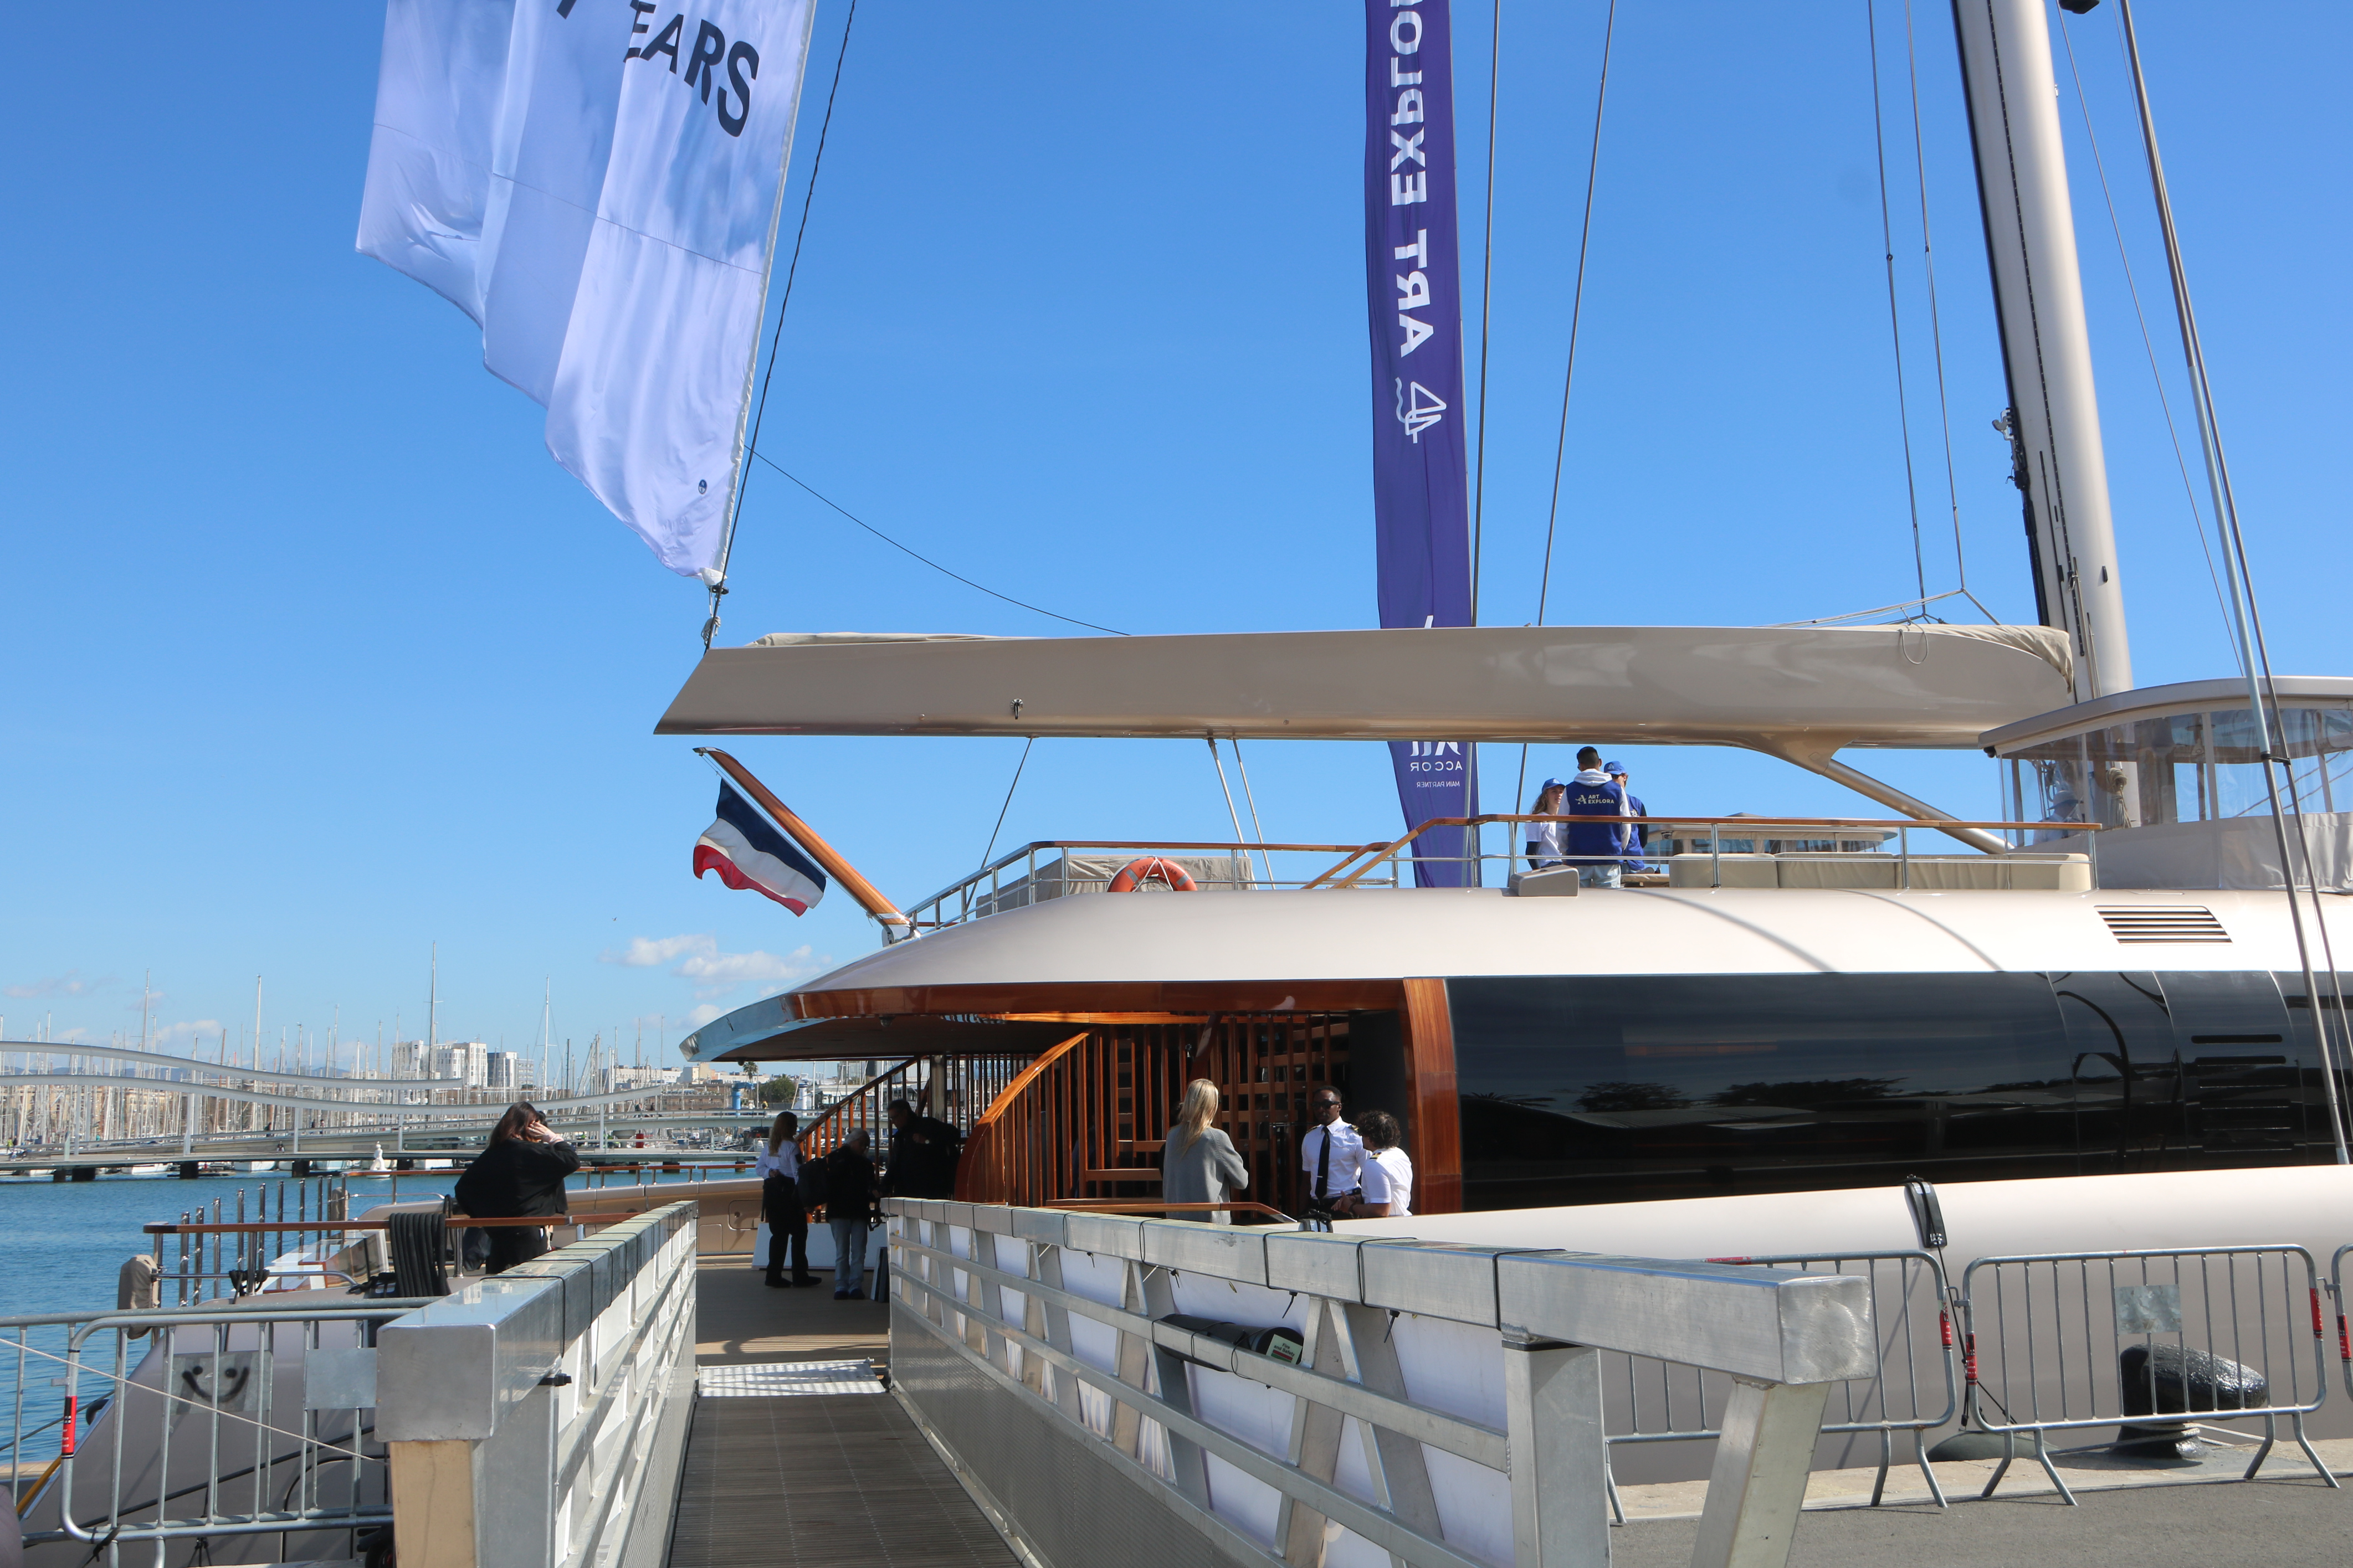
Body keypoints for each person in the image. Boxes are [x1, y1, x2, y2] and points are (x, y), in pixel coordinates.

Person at [454, 1102, 580, 1275]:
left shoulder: (495, 1152)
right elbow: (571, 1160)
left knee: (498, 1283)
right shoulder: (528, 1151)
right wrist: (552, 1137)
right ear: (529, 1127)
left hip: (498, 1231)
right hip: (528, 1231)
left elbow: (463, 1188)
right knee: (530, 1283)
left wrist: (482, 1215)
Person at [1161, 1079, 1250, 1223]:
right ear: (1211, 1106)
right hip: (1210, 1224)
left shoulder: (1172, 1136)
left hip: (1176, 1221)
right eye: (1218, 1102)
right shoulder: (1216, 1138)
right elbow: (1242, 1181)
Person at [757, 1111, 816, 1288]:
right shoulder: (792, 1147)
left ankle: (773, 1275)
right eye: (795, 1124)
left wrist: (770, 1172)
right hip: (790, 1194)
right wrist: (805, 1199)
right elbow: (798, 1174)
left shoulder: (771, 1146)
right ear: (790, 1127)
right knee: (799, 1234)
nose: (797, 1127)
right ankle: (800, 1275)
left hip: (773, 1193)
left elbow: (759, 1168)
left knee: (778, 1235)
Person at [824, 1130, 880, 1299]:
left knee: (843, 1252)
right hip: (859, 1210)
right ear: (853, 1142)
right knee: (857, 1252)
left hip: (839, 1210)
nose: (864, 1148)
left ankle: (842, 1286)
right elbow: (870, 1186)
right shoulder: (865, 1164)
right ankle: (854, 1285)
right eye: (862, 1144)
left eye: (865, 1145)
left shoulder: (834, 1158)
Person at [1565, 746, 1631, 888]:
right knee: (1608, 901)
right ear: (1600, 762)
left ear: (1581, 766)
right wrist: (1619, 848)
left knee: (1578, 900)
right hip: (1609, 857)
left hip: (1578, 857)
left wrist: (1565, 852)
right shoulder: (1617, 790)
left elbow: (1562, 825)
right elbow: (1626, 823)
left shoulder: (1570, 790)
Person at [1299, 1087, 1362, 1222]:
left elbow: (1369, 1174)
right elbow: (1306, 1180)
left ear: (1339, 1107)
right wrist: (1301, 1213)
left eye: (1327, 1105)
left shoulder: (1354, 1136)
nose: (1321, 1109)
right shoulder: (1310, 1137)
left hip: (1344, 1205)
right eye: (1316, 1105)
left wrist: (1358, 1203)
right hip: (1316, 1207)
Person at [885, 1097, 963, 1200]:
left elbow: (955, 1135)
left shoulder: (927, 1125)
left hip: (929, 1188)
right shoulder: (901, 1136)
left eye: (894, 1118)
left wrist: (928, 1141)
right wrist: (884, 1186)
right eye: (891, 1119)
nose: (893, 1122)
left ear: (904, 1113)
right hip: (912, 1189)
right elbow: (894, 1164)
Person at [1353, 1111, 1414, 1218]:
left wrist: (1351, 1207)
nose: (1362, 1137)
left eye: (1363, 1134)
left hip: (1386, 1224)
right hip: (1404, 1219)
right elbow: (1394, 1192)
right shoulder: (1400, 1154)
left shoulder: (1375, 1164)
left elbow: (1380, 1211)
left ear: (1371, 1137)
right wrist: (1357, 1198)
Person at [1607, 760, 1650, 876]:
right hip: (1611, 863)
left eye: (1615, 777)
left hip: (1634, 863)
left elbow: (1643, 835)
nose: (1612, 781)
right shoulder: (1603, 803)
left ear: (1625, 777)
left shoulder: (1637, 804)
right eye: (1608, 777)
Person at [1525, 780, 1569, 870]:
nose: (1559, 795)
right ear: (1546, 796)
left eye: (1561, 792)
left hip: (1567, 864)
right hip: (1549, 865)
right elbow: (1531, 852)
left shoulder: (1568, 819)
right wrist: (1539, 873)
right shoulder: (1538, 820)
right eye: (1554, 792)